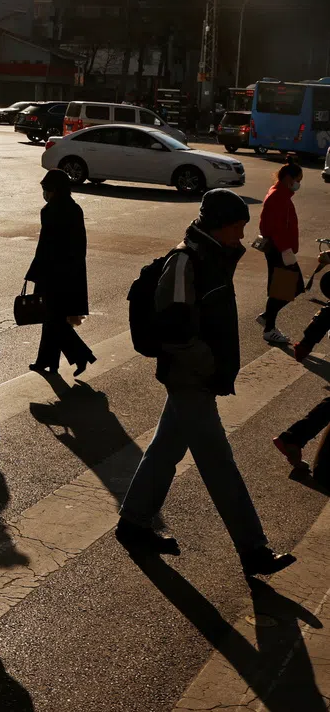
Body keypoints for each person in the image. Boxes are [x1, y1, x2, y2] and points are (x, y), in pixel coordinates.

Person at [115, 189, 294, 576]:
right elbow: (175, 328)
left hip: (197, 375)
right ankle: (253, 549)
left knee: (165, 450)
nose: (241, 237)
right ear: (217, 226)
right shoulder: (187, 260)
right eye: (236, 228)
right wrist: (208, 363)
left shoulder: (213, 256)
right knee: (218, 462)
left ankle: (133, 523)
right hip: (189, 377)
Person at [26, 169, 95, 376]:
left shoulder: (49, 211)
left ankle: (81, 355)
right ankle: (47, 362)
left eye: (46, 189)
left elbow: (45, 247)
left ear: (53, 190)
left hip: (52, 275)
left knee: (52, 319)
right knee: (53, 319)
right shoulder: (75, 209)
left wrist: (34, 272)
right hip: (71, 273)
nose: (45, 193)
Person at [272, 251, 330, 483]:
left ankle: (294, 438)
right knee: (279, 291)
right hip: (282, 256)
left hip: (286, 254)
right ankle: (295, 439)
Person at [256, 161, 305, 346]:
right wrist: (286, 252)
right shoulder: (278, 197)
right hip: (280, 250)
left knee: (285, 288)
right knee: (289, 287)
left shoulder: (281, 194)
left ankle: (268, 319)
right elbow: (273, 227)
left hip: (282, 249)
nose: (299, 184)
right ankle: (269, 327)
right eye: (298, 179)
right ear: (288, 178)